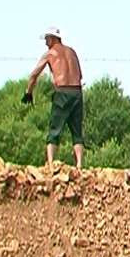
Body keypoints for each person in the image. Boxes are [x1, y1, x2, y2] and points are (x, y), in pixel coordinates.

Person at [23, 27, 85, 168]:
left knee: (55, 128)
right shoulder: (72, 52)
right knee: (77, 130)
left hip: (62, 92)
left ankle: (50, 163)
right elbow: (80, 75)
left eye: (47, 39)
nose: (46, 43)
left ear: (53, 38)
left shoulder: (50, 53)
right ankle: (80, 165)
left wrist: (28, 92)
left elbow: (34, 74)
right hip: (77, 92)